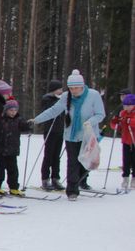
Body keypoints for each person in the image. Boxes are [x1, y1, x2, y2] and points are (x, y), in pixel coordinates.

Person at [33, 70, 106, 200]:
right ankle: (72, 191)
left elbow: (100, 114)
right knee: (72, 162)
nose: (74, 91)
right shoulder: (66, 96)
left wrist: (90, 122)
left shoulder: (93, 95)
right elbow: (54, 110)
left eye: (76, 88)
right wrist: (37, 119)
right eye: (71, 88)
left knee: (85, 163)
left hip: (88, 135)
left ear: (82, 86)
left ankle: (80, 180)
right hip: (71, 135)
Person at [0, 99, 30, 196]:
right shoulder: (1, 119)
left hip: (12, 150)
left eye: (15, 110)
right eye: (11, 110)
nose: (13, 112)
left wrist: (28, 126)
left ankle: (13, 187)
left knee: (13, 170)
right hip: (1, 149)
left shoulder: (19, 119)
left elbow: (24, 127)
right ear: (6, 110)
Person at [39, 79, 65, 191]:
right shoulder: (47, 99)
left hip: (60, 130)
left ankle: (55, 178)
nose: (61, 91)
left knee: (56, 156)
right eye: (59, 89)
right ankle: (45, 178)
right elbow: (49, 111)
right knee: (48, 155)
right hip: (50, 130)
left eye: (61, 89)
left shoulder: (62, 99)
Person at [110, 93, 135, 192]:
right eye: (125, 105)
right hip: (126, 141)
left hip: (134, 140)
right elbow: (116, 125)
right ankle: (125, 178)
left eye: (129, 105)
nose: (127, 107)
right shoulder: (122, 113)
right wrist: (115, 122)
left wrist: (129, 121)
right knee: (126, 161)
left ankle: (134, 179)